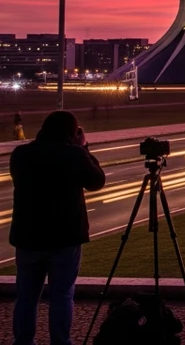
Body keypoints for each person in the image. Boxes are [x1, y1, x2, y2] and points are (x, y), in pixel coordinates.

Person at [9, 110, 106, 345]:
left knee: (26, 297)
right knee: (62, 295)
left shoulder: (21, 154)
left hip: (28, 236)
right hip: (65, 237)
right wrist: (83, 148)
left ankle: (23, 341)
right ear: (71, 133)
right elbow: (97, 181)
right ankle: (61, 342)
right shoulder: (74, 154)